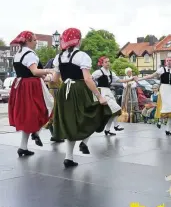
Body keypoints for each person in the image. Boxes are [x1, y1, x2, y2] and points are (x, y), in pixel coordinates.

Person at [51, 28, 112, 167]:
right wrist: (99, 96)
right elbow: (88, 79)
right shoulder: (82, 56)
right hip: (79, 90)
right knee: (95, 113)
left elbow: (54, 79)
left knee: (70, 122)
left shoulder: (59, 57)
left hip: (64, 92)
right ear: (78, 40)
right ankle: (84, 143)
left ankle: (69, 157)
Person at [8, 31, 55, 157]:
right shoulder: (29, 54)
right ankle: (36, 132)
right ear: (28, 41)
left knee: (28, 115)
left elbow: (28, 71)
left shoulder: (18, 54)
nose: (36, 42)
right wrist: (49, 70)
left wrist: (45, 75)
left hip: (20, 85)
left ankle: (23, 146)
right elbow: (34, 71)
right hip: (31, 86)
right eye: (34, 40)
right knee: (45, 108)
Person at [141, 56, 171, 136]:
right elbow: (151, 76)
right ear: (165, 62)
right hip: (164, 89)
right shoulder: (161, 70)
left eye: (170, 60)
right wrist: (139, 79)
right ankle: (159, 121)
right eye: (167, 60)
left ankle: (168, 130)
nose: (169, 62)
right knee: (163, 107)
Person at [92, 57, 135, 135]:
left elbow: (120, 80)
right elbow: (90, 79)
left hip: (108, 92)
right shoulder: (98, 72)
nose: (108, 63)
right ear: (101, 63)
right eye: (106, 62)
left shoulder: (111, 73)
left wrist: (131, 79)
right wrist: (95, 89)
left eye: (108, 61)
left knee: (113, 113)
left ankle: (107, 130)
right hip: (102, 92)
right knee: (117, 109)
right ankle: (116, 126)